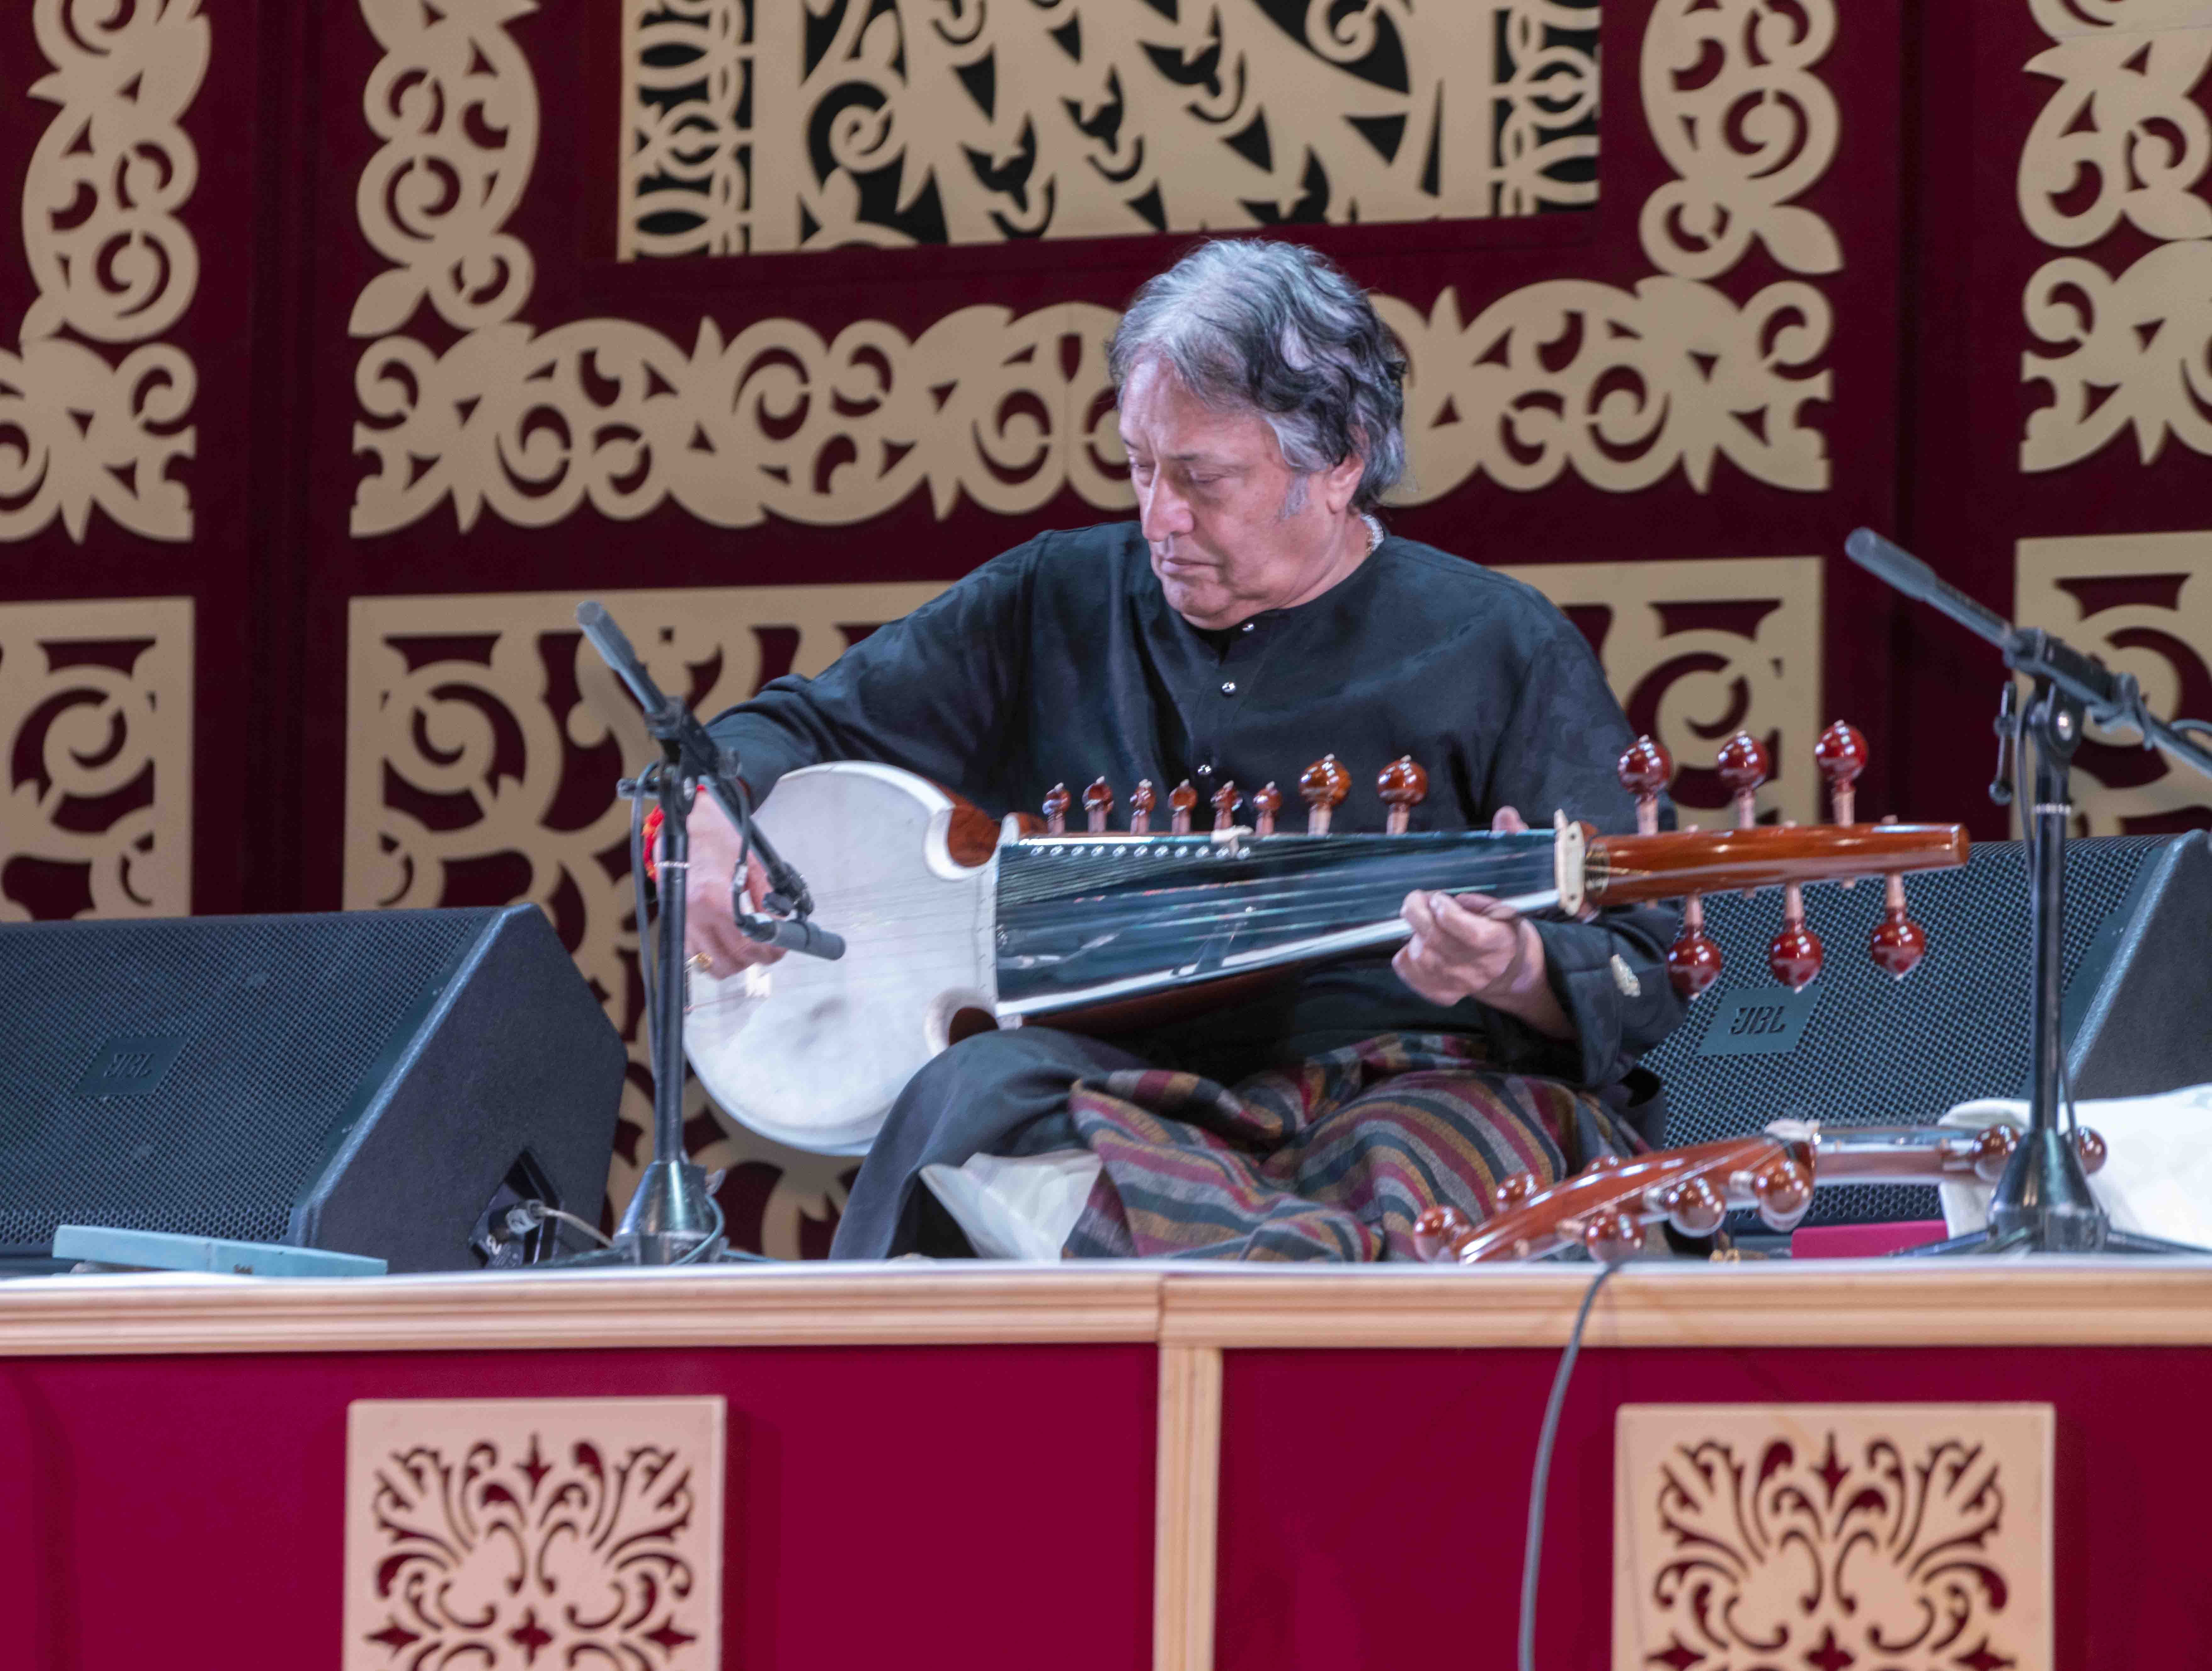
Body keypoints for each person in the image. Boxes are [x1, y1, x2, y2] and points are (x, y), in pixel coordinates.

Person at [687, 238, 1687, 1260]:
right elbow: (790, 726)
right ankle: (1234, 1287)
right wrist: (716, 818)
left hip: (1402, 1083)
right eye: (1140, 465)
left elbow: (1641, 965)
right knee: (966, 1099)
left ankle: (1266, 1299)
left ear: (1339, 463)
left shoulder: (1498, 646)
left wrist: (1516, 966)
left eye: (1204, 479)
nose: (1159, 515)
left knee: (1422, 1168)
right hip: (1117, 1085)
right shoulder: (1057, 600)